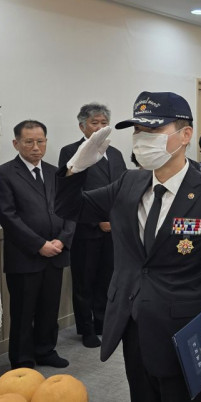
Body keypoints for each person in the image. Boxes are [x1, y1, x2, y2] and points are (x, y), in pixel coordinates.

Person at [55, 91, 201, 402]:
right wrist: (74, 169)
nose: (142, 138)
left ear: (185, 135)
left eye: (153, 130)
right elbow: (68, 207)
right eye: (138, 131)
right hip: (134, 328)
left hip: (186, 337)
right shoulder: (128, 184)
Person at [0, 120, 75, 370]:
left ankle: (45, 350)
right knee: (23, 311)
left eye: (40, 141)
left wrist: (62, 239)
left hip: (56, 252)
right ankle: (22, 359)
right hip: (25, 255)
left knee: (49, 308)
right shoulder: (5, 173)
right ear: (16, 143)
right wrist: (39, 244)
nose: (35, 147)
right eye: (29, 142)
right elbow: (7, 215)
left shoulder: (55, 172)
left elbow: (70, 207)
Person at [58, 103, 127, 348]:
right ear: (82, 126)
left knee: (107, 279)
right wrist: (98, 220)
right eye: (94, 123)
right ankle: (86, 329)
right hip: (85, 230)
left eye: (103, 123)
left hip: (113, 230)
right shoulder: (71, 151)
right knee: (84, 282)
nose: (99, 127)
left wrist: (114, 220)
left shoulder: (116, 153)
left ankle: (101, 322)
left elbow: (121, 190)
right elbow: (70, 192)